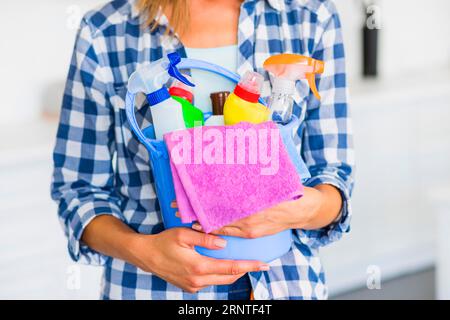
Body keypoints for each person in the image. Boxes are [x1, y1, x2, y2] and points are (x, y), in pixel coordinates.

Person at [51, 0, 354, 300]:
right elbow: (78, 190)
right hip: (151, 289)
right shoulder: (106, 31)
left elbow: (334, 180)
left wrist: (299, 209)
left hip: (285, 283)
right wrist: (146, 252)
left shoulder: (310, 17)